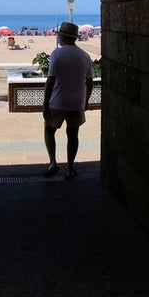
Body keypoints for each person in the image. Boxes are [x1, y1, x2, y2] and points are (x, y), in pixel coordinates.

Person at [42, 21, 94, 179]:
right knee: (73, 135)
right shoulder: (85, 56)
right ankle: (70, 168)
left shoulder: (57, 54)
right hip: (76, 103)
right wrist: (85, 101)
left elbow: (50, 81)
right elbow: (90, 82)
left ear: (62, 36)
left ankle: (53, 162)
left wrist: (45, 104)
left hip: (57, 102)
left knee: (49, 130)